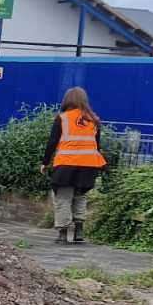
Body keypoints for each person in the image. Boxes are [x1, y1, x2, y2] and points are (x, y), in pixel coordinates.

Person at [42, 86, 106, 244]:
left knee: (63, 197)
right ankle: (79, 232)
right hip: (88, 166)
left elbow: (52, 143)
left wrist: (44, 162)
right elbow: (97, 146)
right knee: (80, 196)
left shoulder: (62, 118)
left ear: (67, 100)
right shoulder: (94, 120)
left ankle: (63, 234)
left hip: (66, 165)